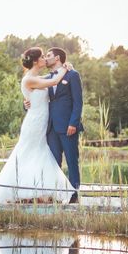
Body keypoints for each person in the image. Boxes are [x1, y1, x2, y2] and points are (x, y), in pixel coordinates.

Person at [0, 47, 75, 204]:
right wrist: (65, 68)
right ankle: (21, 191)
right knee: (27, 153)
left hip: (41, 121)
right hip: (34, 123)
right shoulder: (29, 79)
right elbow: (54, 81)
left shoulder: (35, 77)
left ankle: (36, 191)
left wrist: (65, 68)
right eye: (43, 57)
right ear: (37, 61)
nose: (45, 59)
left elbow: (50, 78)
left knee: (38, 154)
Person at [24, 47, 84, 204]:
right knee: (53, 161)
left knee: (72, 160)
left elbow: (78, 103)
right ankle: (56, 194)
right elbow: (34, 94)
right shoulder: (48, 77)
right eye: (44, 56)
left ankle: (74, 195)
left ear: (57, 58)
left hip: (67, 126)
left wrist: (73, 123)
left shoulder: (72, 75)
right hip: (50, 127)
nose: (46, 58)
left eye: (48, 56)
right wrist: (27, 103)